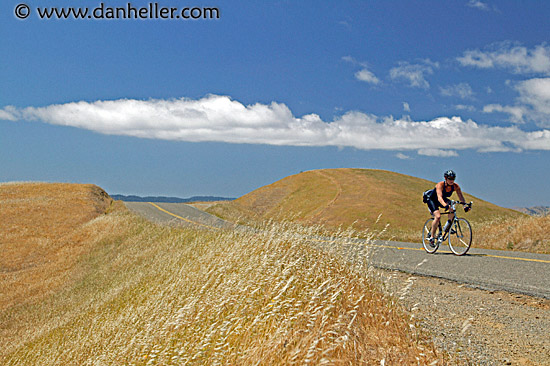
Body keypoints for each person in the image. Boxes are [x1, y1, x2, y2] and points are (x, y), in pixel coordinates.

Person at [424, 170, 471, 247]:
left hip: (442, 199)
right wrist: (445, 205)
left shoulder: (456, 186)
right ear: (445, 178)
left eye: (453, 178)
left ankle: (447, 226)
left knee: (452, 206)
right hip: (432, 200)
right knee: (438, 216)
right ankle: (432, 237)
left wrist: (465, 206)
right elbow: (439, 197)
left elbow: (461, 197)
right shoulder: (440, 185)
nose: (452, 180)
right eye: (450, 178)